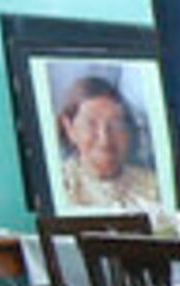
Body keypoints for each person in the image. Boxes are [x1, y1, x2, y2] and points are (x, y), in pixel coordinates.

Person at [53, 72, 165, 215]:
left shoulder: (154, 186)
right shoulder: (59, 186)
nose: (104, 138)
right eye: (91, 124)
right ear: (69, 128)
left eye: (116, 124)